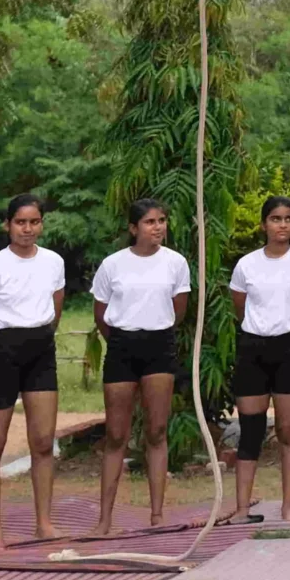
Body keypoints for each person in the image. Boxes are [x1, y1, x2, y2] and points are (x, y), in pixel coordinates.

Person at [0, 194, 65, 553]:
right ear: (7, 225)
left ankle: (44, 522)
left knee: (42, 440)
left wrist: (38, 341)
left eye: (34, 222)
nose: (28, 229)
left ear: (41, 224)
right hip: (1, 352)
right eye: (20, 222)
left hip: (41, 351)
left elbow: (56, 307)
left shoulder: (53, 261)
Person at [88, 198, 193, 537]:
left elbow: (179, 310)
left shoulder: (175, 263)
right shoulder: (113, 265)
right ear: (134, 228)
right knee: (116, 434)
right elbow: (101, 313)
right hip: (121, 346)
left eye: (162, 220)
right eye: (149, 222)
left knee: (156, 431)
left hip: (159, 346)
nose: (158, 227)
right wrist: (122, 337)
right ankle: (104, 518)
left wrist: (154, 330)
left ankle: (157, 513)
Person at [227, 196, 290, 523]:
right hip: (253, 349)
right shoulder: (247, 265)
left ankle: (289, 506)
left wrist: (287, 329)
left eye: (288, 218)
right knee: (251, 429)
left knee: (288, 430)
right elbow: (239, 307)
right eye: (275, 218)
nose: (282, 225)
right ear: (263, 224)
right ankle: (241, 508)